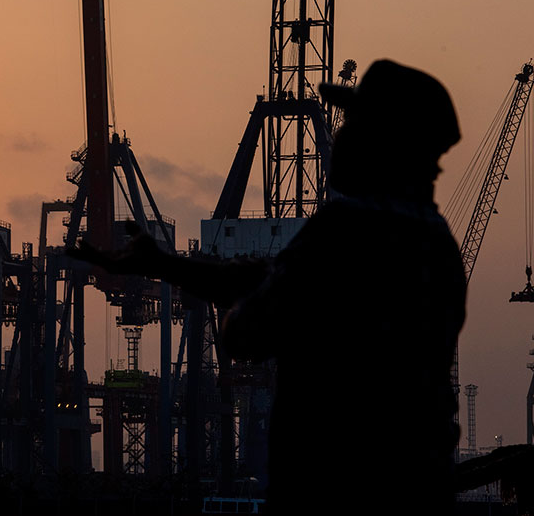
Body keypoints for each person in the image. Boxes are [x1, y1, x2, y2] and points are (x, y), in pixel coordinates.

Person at [71, 60, 466, 514]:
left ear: (385, 145)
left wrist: (246, 303)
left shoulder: (345, 232)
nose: (339, 138)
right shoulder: (435, 244)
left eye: (353, 125)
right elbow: (281, 280)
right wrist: (167, 265)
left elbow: (247, 333)